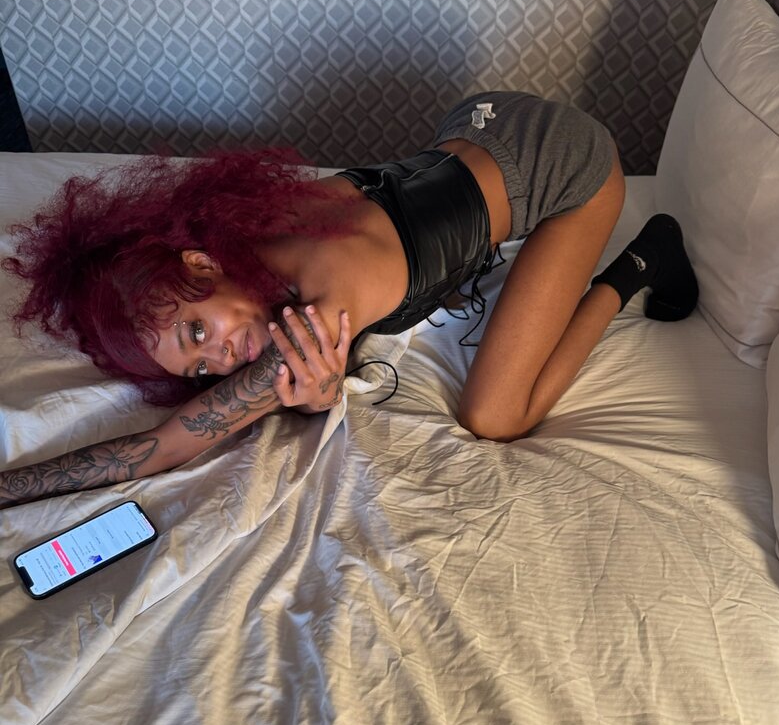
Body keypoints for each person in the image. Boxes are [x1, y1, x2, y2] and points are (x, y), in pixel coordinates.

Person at [0, 91, 697, 510]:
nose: (224, 359)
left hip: (573, 163)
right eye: (202, 368)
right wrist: (319, 397)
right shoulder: (246, 220)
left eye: (197, 332)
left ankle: (643, 260)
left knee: (495, 416)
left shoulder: (315, 313)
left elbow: (161, 448)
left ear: (200, 265)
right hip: (486, 118)